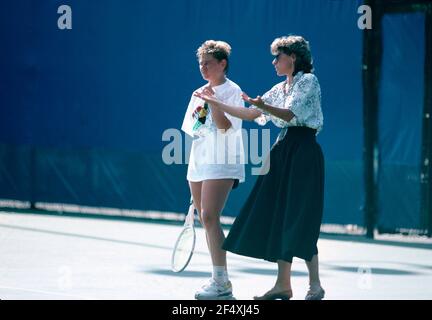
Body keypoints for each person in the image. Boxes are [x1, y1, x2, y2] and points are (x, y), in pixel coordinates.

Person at [194, 35, 325, 300]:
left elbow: (289, 114)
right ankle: (283, 285)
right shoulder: (279, 88)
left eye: (279, 56)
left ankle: (315, 285)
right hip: (282, 151)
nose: (274, 61)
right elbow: (252, 113)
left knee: (301, 217)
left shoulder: (308, 81)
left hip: (304, 152)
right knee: (279, 214)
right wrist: (217, 103)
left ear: (294, 58)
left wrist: (262, 105)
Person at [181, 40, 245, 300]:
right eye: (200, 64)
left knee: (209, 217)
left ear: (222, 64)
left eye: (208, 63)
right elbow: (194, 129)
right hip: (199, 163)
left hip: (223, 161)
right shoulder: (198, 92)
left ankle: (222, 283)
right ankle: (218, 280)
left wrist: (214, 103)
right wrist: (205, 105)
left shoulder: (233, 91)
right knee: (207, 221)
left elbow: (226, 128)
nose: (203, 68)